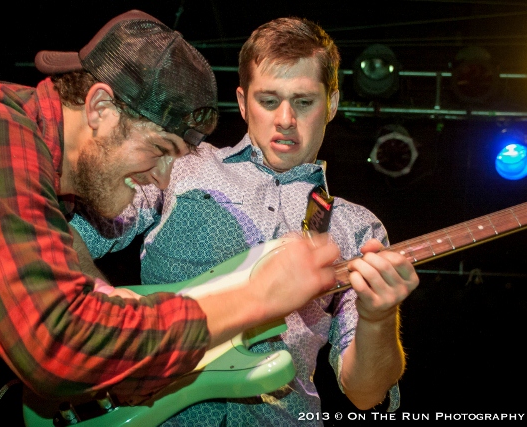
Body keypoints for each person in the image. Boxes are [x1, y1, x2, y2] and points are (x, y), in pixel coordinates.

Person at [0, 9, 342, 409]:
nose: (163, 179)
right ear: (100, 107)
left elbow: (63, 278)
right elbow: (59, 348)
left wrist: (107, 305)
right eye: (160, 149)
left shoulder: (38, 168)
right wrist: (253, 299)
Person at [71, 16, 420, 425]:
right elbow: (67, 237)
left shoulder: (356, 227)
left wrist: (379, 318)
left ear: (332, 104)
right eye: (269, 101)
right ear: (242, 102)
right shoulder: (181, 165)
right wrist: (107, 323)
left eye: (304, 102)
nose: (285, 118)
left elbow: (365, 392)